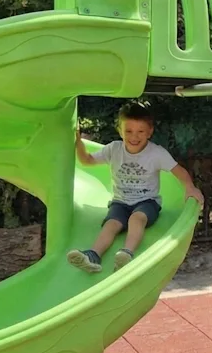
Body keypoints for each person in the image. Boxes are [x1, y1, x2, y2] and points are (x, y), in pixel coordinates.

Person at [68, 102, 203, 273]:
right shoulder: (114, 149)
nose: (134, 137)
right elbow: (87, 161)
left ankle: (127, 253)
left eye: (140, 131)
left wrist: (190, 187)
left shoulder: (156, 153)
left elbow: (179, 171)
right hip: (120, 202)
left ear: (150, 132)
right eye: (129, 131)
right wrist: (78, 142)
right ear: (120, 131)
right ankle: (93, 255)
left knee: (136, 219)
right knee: (111, 224)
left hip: (147, 202)